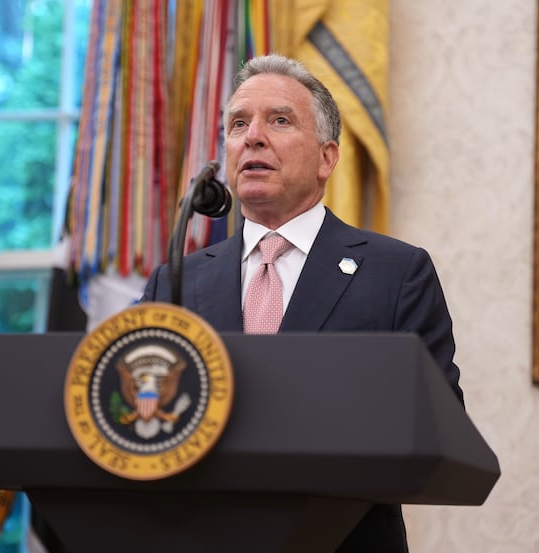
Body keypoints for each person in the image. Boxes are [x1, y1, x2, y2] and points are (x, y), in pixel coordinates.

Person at [141, 53, 463, 552]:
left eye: (280, 120)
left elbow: (438, 424)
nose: (252, 137)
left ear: (326, 158)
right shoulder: (176, 282)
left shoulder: (396, 273)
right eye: (238, 123)